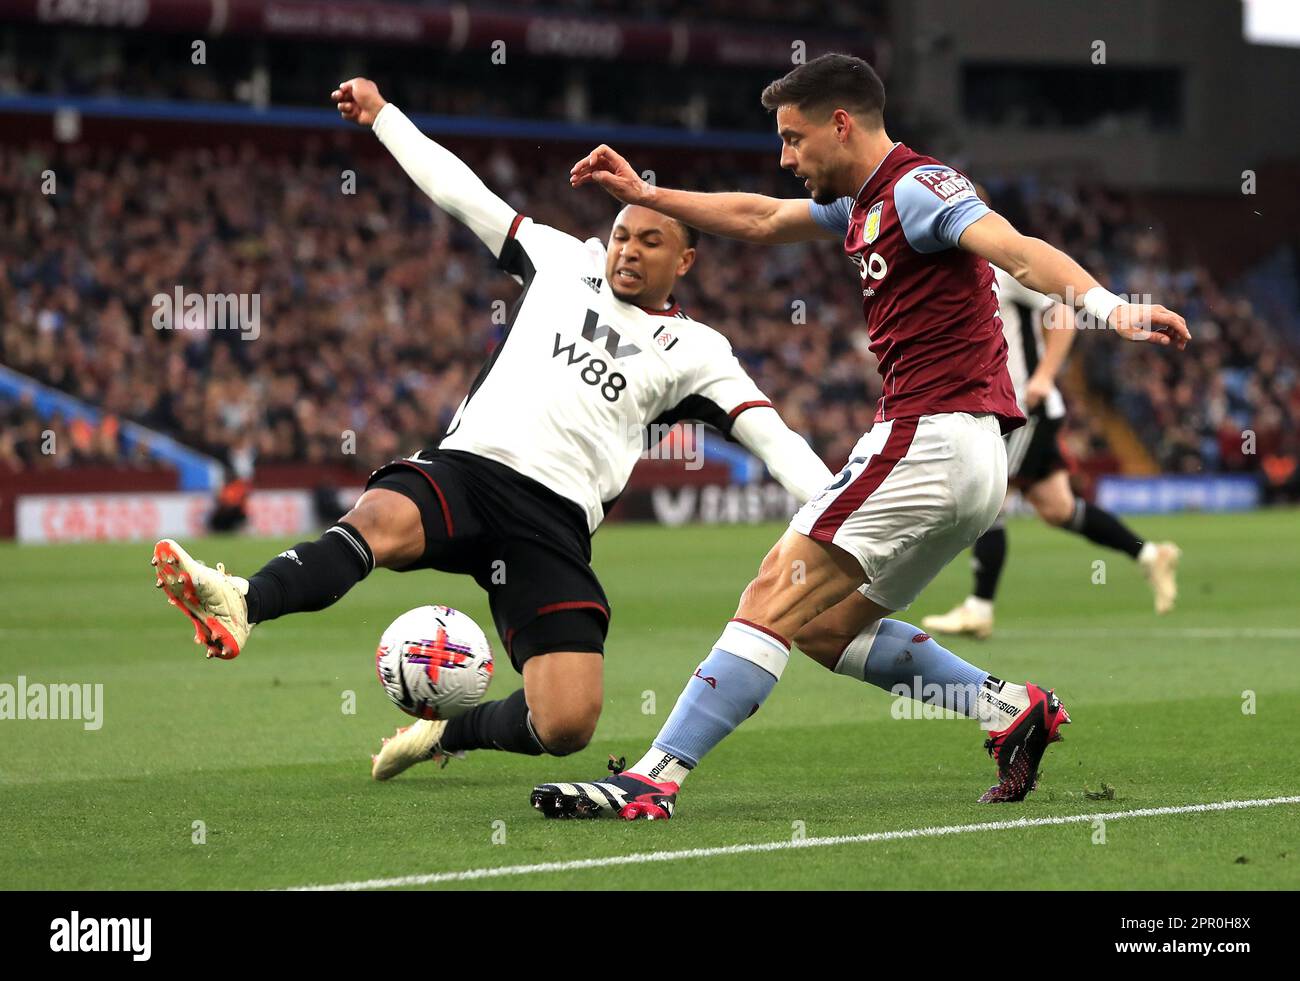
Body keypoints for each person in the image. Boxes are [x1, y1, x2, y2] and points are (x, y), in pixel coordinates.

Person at [532, 53, 1189, 818]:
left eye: (793, 138)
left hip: (930, 435)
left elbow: (1015, 249)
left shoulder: (917, 186)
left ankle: (654, 776)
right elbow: (761, 217)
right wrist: (649, 193)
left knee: (773, 592)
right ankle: (1008, 707)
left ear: (840, 123)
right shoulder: (863, 203)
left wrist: (1110, 308)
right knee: (822, 626)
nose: (785, 158)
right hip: (967, 460)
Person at [151, 77, 834, 781]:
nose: (628, 250)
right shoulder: (561, 261)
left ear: (684, 261)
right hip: (471, 471)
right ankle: (242, 601)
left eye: (650, 240)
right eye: (622, 235)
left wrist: (838, 509)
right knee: (377, 520)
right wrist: (384, 117)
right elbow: (460, 192)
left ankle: (448, 731)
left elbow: (771, 436)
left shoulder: (699, 353)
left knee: (567, 723)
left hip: (553, 522)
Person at [923, 249, 1180, 641]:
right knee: (1058, 509)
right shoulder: (951, 277)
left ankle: (979, 609)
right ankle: (1150, 554)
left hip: (1025, 406)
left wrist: (1042, 377)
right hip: (1005, 409)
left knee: (988, 496)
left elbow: (1063, 315)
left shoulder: (997, 267)